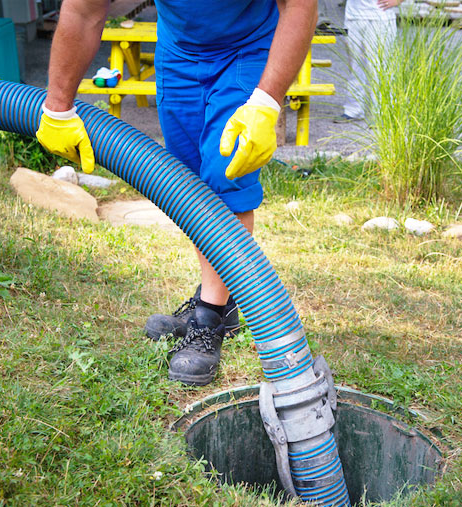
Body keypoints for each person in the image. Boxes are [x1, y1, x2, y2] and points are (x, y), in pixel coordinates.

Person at [36, 0, 318, 386]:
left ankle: (208, 319)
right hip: (179, 49)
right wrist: (57, 106)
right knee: (190, 184)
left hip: (248, 45)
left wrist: (266, 103)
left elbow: (300, 5)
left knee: (225, 174)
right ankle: (219, 300)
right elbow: (84, 11)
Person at [334, 0, 400, 122]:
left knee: (380, 67)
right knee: (354, 66)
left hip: (380, 17)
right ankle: (353, 110)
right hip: (353, 17)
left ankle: (382, 112)